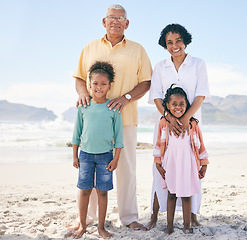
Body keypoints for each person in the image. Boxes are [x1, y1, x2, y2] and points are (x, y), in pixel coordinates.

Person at [72, 4, 152, 230]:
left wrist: (126, 98)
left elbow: (146, 82)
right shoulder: (89, 48)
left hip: (125, 119)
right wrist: (83, 94)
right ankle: (87, 219)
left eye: (120, 18)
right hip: (94, 122)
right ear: (104, 22)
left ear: (127, 24)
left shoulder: (138, 50)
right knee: (91, 171)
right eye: (111, 18)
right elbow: (79, 77)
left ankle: (129, 218)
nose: (116, 21)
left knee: (126, 170)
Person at [147, 23, 210, 229]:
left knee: (190, 169)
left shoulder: (198, 64)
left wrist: (185, 120)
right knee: (161, 169)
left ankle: (192, 216)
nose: (175, 45)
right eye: (169, 42)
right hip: (165, 125)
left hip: (191, 126)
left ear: (185, 40)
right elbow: (156, 96)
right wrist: (168, 117)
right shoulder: (160, 66)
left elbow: (200, 95)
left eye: (178, 40)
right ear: (165, 45)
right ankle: (155, 215)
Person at [72, 61, 123, 238]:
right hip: (85, 155)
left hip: (105, 156)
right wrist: (75, 156)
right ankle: (83, 225)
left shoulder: (113, 108)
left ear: (109, 86)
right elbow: (76, 133)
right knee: (84, 190)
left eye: (103, 84)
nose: (98, 87)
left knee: (102, 192)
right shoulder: (83, 106)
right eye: (95, 83)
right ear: (89, 84)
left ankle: (101, 227)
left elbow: (119, 137)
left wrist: (116, 158)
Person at [153, 84, 209, 234]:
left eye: (182, 104)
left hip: (187, 162)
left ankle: (186, 226)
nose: (178, 107)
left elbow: (200, 146)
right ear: (167, 106)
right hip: (171, 162)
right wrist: (158, 163)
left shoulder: (192, 124)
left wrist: (204, 164)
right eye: (174, 104)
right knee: (171, 194)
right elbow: (159, 145)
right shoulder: (164, 123)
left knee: (186, 195)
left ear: (187, 105)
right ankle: (169, 226)